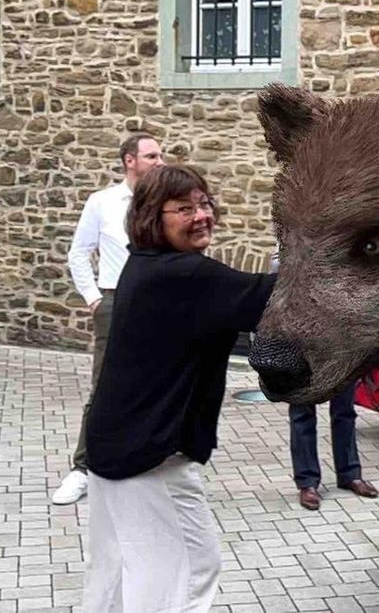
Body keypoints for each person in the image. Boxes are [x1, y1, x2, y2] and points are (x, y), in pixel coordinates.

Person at [82, 165, 276, 612]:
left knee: (114, 579)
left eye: (204, 203)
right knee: (185, 574)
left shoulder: (143, 263)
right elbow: (275, 296)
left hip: (115, 449)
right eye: (184, 208)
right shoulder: (183, 275)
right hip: (151, 460)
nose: (201, 215)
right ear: (153, 216)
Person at [54, 134, 165, 505]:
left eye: (160, 155)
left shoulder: (166, 202)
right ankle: (83, 468)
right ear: (129, 160)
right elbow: (78, 253)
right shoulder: (102, 203)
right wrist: (94, 299)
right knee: (105, 387)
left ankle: (145, 463)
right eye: (152, 156)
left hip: (158, 304)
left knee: (156, 387)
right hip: (116, 300)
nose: (159, 161)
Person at [282, 243, 377, 510]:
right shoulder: (293, 249)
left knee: (345, 411)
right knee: (302, 414)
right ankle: (307, 482)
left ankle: (350, 475)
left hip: (340, 347)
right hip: (302, 345)